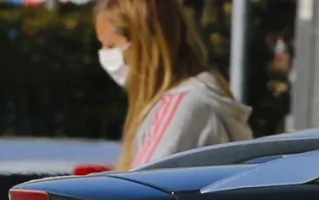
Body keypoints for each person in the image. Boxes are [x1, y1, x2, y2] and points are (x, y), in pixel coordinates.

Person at [95, 0, 253, 170]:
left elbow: (139, 187)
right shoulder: (203, 94)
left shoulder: (182, 107)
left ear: (145, 44)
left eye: (111, 46)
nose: (104, 54)